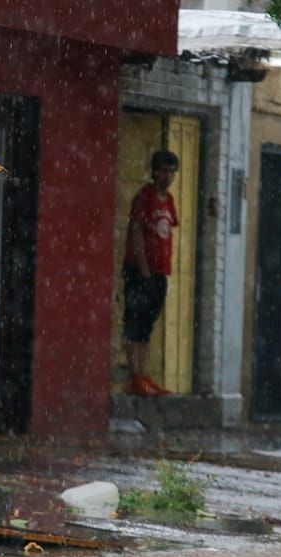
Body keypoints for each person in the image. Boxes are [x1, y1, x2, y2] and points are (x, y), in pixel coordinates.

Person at [122, 149, 179, 397]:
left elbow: (167, 231)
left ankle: (143, 374)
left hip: (159, 272)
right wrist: (144, 269)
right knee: (135, 321)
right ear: (155, 172)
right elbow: (136, 232)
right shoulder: (144, 197)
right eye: (165, 171)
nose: (168, 176)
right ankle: (134, 375)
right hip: (140, 271)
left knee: (147, 325)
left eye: (172, 172)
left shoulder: (169, 201)